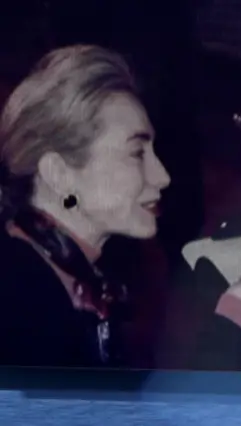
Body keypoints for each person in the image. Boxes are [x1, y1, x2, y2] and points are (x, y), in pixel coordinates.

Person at [0, 45, 171, 368]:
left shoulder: (78, 278)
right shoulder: (19, 310)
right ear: (60, 175)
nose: (162, 177)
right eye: (137, 153)